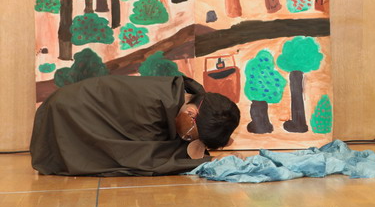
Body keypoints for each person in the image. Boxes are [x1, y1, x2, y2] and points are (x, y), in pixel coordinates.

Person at [31, 75, 240, 176]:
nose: (187, 139)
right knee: (110, 160)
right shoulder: (152, 105)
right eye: (190, 135)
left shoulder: (186, 97)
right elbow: (145, 159)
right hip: (68, 111)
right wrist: (203, 161)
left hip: (76, 103)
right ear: (191, 114)